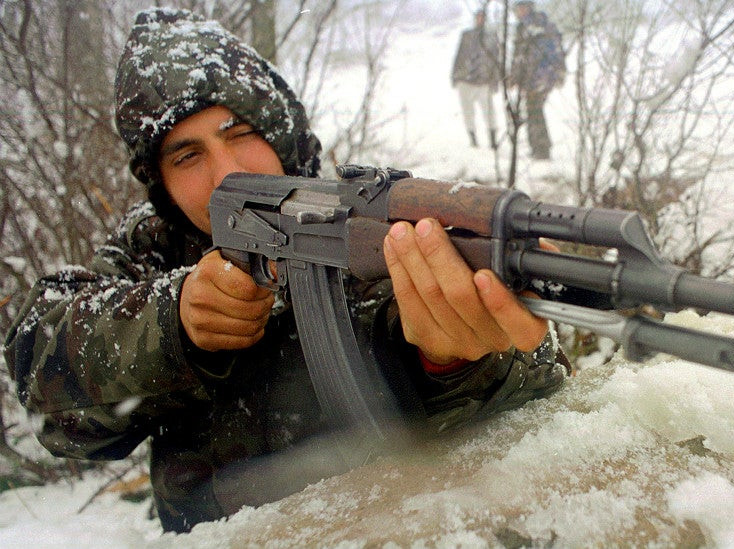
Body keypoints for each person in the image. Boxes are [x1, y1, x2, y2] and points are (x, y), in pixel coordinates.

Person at [3, 8, 568, 533]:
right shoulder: (155, 245)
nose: (225, 172)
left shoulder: (354, 222)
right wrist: (173, 324)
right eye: (187, 155)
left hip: (384, 529)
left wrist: (453, 360)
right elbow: (40, 367)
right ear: (162, 182)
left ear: (279, 133)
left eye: (239, 134)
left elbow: (538, 383)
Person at [509, 0, 565, 160]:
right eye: (517, 9)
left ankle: (542, 150)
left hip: (540, 76)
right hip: (532, 77)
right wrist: (514, 76)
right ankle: (538, 148)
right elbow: (519, 56)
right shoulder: (525, 27)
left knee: (535, 110)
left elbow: (554, 50)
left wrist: (557, 72)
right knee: (533, 110)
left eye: (521, 8)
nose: (519, 11)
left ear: (528, 8)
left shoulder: (538, 25)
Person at [451, 9, 501, 149]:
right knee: (468, 112)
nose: (480, 20)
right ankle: (473, 139)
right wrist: (455, 75)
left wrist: (495, 80)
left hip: (483, 81)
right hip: (465, 80)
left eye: (482, 17)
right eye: (478, 17)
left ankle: (493, 140)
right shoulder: (467, 35)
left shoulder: (492, 37)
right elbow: (459, 56)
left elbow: (495, 60)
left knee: (489, 111)